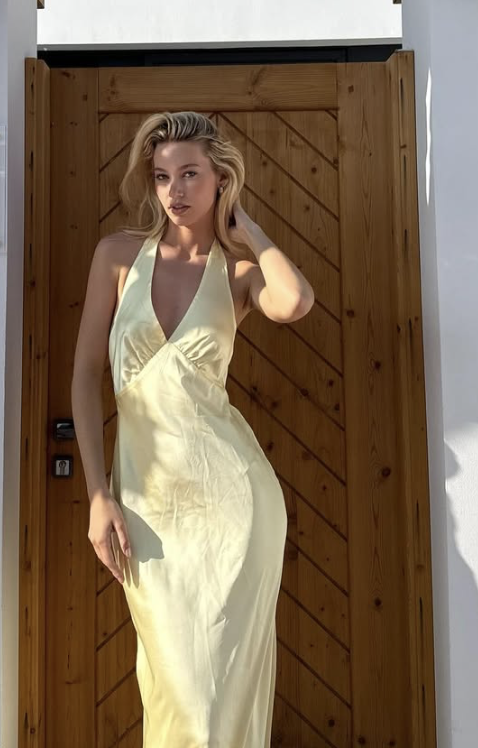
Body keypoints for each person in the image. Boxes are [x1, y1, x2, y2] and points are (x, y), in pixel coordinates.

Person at [70, 110, 315, 747]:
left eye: (189, 174)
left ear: (220, 178)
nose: (173, 190)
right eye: (161, 176)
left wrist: (248, 228)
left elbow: (295, 302)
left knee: (220, 697)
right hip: (147, 505)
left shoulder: (238, 271)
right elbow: (84, 377)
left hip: (232, 504)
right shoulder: (117, 256)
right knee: (178, 692)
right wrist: (98, 495)